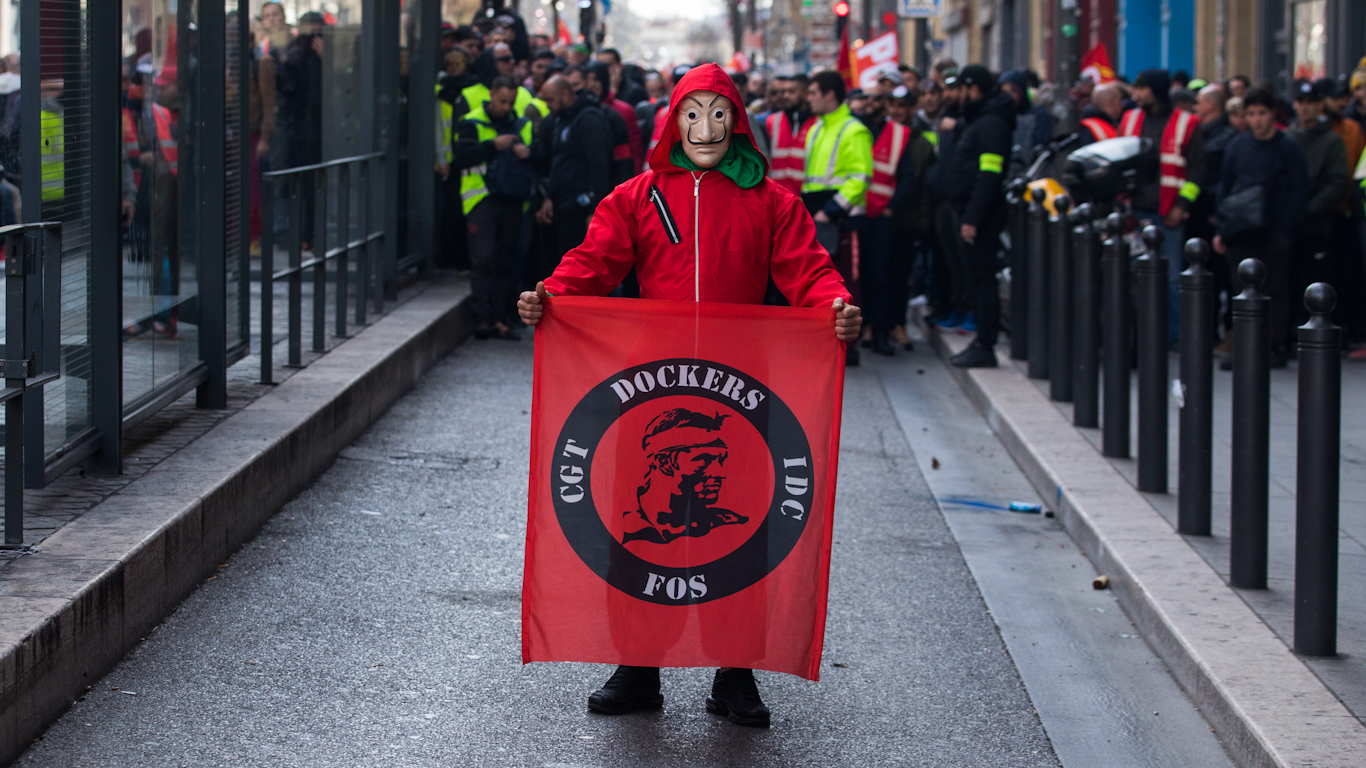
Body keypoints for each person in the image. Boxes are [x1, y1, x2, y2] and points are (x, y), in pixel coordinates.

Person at [516, 65, 860, 726]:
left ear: (739, 121)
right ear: (674, 121)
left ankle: (736, 673)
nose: (706, 127)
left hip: (744, 394)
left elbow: (807, 270)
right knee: (641, 529)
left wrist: (836, 305)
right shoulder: (637, 197)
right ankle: (638, 666)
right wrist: (551, 295)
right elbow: (593, 261)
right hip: (651, 393)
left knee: (745, 527)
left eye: (719, 113)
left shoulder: (772, 201)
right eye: (692, 113)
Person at [1213, 87, 1307, 370]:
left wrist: (1287, 229)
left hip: (1274, 230)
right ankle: (1244, 345)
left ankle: (1274, 344)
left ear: (1272, 114)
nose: (1257, 120)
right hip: (1241, 231)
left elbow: (1300, 190)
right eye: (1251, 114)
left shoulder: (1287, 147)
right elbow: (1224, 188)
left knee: (1275, 289)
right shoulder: (1237, 146)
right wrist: (1222, 228)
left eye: (1262, 113)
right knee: (1240, 289)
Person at [1121, 68, 1206, 343]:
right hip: (1135, 210)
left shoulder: (1187, 123)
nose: (1135, 94)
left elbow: (1197, 171)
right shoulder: (1130, 119)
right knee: (1134, 276)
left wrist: (1182, 205)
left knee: (1171, 279)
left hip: (1168, 213)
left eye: (1140, 88)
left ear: (1155, 90)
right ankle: (1143, 334)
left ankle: (1175, 336)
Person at [455, 76, 535, 340]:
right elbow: (462, 158)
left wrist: (528, 153)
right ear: (491, 95)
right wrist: (492, 146)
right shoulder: (472, 122)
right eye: (502, 101)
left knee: (505, 262)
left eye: (511, 102)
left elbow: (538, 158)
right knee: (483, 260)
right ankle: (482, 319)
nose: (506, 107)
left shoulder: (521, 124)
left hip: (512, 199)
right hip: (481, 199)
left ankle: (498, 319)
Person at [944, 65, 1014, 368]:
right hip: (969, 210)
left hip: (981, 216)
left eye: (959, 89)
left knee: (983, 280)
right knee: (976, 278)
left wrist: (972, 218)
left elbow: (989, 176)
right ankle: (982, 342)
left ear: (972, 89)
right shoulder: (980, 119)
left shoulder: (991, 123)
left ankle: (985, 344)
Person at [802, 70, 873, 364]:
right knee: (822, 278)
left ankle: (850, 349)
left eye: (814, 92)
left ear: (830, 94)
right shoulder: (817, 128)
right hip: (819, 213)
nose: (809, 98)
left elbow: (860, 177)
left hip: (843, 219)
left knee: (847, 282)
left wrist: (832, 210)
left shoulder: (853, 130)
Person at [864, 86, 934, 355]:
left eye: (901, 105)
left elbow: (913, 180)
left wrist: (893, 207)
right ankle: (873, 326)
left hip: (898, 218)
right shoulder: (864, 130)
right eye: (891, 103)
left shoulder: (908, 137)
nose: (895, 110)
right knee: (873, 276)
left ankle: (889, 327)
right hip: (870, 215)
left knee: (892, 276)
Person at [529, 74, 612, 275]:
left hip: (581, 205)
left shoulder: (589, 119)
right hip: (561, 203)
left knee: (579, 266)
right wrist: (549, 197)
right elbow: (557, 163)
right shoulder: (558, 121)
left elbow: (599, 166)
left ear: (565, 95)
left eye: (549, 99)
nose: (546, 105)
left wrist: (596, 210)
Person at [1287, 79, 1350, 338]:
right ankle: (1291, 333)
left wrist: (1310, 209)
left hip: (1318, 224)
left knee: (1319, 282)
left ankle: (1319, 334)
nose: (1304, 108)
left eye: (1310, 103)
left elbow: (1337, 181)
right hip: (1291, 225)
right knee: (1291, 281)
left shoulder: (1331, 140)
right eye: (1300, 103)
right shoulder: (1289, 137)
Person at [764, 74, 814, 196]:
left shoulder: (817, 123)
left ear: (806, 94)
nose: (785, 96)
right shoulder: (773, 121)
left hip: (805, 197)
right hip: (776, 196)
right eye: (783, 92)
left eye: (791, 92)